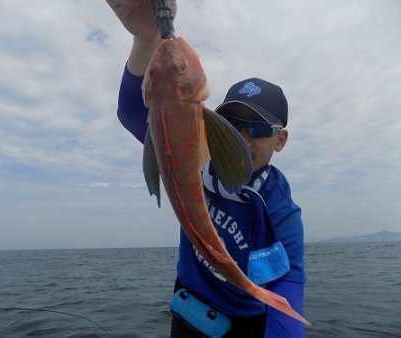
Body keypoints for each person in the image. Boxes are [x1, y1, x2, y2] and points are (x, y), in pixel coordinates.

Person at [106, 1, 306, 337]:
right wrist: (145, 39)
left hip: (245, 324)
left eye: (256, 128)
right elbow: (130, 111)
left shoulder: (279, 209)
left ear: (281, 140)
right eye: (231, 123)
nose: (242, 137)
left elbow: (286, 298)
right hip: (188, 312)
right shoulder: (193, 152)